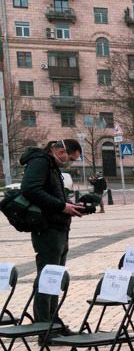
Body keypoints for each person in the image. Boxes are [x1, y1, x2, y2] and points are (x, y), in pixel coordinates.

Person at [20, 139, 86, 329]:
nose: (69, 162)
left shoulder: (51, 165)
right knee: (48, 277)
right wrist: (61, 206)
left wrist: (71, 204)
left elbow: (52, 194)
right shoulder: (40, 162)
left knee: (54, 277)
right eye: (70, 158)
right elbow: (30, 189)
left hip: (58, 227)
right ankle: (44, 327)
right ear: (59, 150)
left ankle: (53, 323)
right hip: (47, 229)